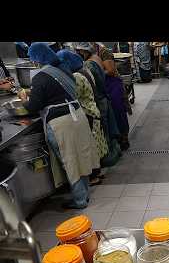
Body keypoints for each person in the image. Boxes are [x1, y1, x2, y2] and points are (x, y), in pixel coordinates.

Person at [17, 42, 99, 209]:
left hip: (61, 124)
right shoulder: (63, 69)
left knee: (69, 160)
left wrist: (24, 101)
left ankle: (80, 200)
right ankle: (85, 193)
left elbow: (34, 106)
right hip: (77, 117)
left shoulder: (40, 77)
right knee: (80, 156)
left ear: (36, 59)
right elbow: (56, 91)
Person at [57, 49, 109, 186]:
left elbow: (74, 95)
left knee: (90, 147)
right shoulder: (84, 70)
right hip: (93, 111)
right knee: (95, 145)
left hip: (88, 113)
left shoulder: (76, 76)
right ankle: (97, 172)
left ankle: (94, 176)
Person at [74, 42, 121, 168]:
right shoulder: (96, 58)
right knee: (108, 130)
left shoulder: (89, 64)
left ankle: (108, 158)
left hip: (99, 100)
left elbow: (110, 71)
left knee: (104, 132)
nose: (78, 54)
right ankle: (114, 153)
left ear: (84, 51)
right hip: (103, 98)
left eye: (79, 51)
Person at [92, 42, 131, 150]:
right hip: (104, 86)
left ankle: (124, 139)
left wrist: (94, 72)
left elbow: (111, 71)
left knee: (118, 110)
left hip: (113, 84)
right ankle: (115, 139)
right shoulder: (90, 53)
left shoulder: (104, 52)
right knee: (110, 113)